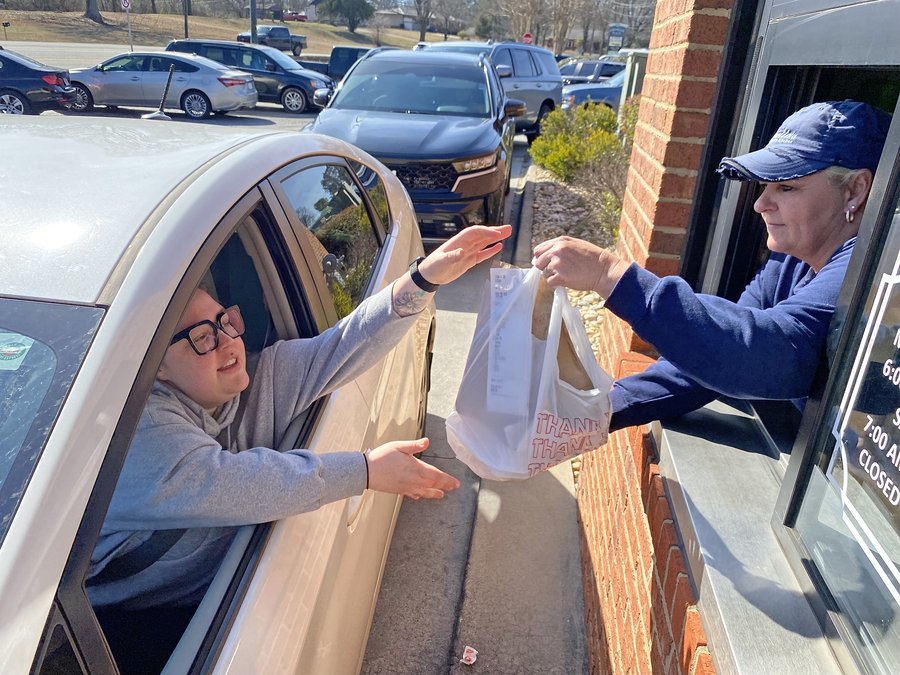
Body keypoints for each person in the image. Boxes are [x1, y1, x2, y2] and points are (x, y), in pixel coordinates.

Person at [88, 225, 512, 617]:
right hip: (105, 628)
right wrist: (364, 471)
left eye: (224, 322)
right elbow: (223, 481)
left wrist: (423, 279)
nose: (228, 342)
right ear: (155, 368)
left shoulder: (264, 376)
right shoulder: (139, 436)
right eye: (202, 338)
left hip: (195, 605)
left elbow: (343, 345)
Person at [533, 100, 891, 432]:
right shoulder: (791, 260)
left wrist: (608, 274)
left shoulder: (869, 268)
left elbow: (764, 353)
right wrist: (603, 410)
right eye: (765, 186)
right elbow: (717, 352)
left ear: (855, 190)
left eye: (786, 187)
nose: (761, 204)